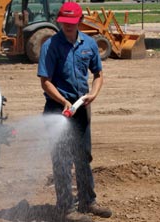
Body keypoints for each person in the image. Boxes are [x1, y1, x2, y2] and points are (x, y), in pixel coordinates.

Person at [37, 2, 112, 222]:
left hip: (81, 109)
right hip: (57, 109)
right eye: (64, 23)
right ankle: (66, 209)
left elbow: (98, 74)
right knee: (61, 159)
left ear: (79, 22)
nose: (68, 26)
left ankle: (88, 202)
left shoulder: (88, 43)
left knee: (83, 157)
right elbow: (45, 81)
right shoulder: (50, 46)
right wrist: (63, 102)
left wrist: (93, 94)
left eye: (72, 23)